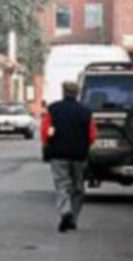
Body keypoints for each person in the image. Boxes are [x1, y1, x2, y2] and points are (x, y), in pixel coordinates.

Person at [41, 81, 96, 233]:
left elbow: (45, 131)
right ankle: (74, 217)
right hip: (79, 155)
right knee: (78, 187)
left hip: (58, 154)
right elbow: (92, 135)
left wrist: (49, 142)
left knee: (62, 185)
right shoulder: (85, 112)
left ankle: (65, 211)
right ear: (77, 93)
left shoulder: (53, 109)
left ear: (63, 92)